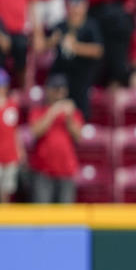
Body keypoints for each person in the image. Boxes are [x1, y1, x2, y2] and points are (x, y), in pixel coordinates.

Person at [44, 0, 103, 120]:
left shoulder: (91, 26)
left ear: (85, 5)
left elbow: (98, 50)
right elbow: (40, 46)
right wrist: (52, 42)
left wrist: (75, 47)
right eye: (72, 2)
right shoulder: (60, 25)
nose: (75, 7)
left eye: (79, 3)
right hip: (60, 77)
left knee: (80, 111)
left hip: (81, 77)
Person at [28, 74, 83, 203]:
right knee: (42, 216)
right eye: (56, 89)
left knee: (65, 218)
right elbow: (36, 132)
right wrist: (52, 112)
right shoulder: (39, 111)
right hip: (43, 171)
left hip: (66, 170)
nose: (59, 93)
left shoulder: (72, 112)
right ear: (48, 90)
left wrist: (69, 118)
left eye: (61, 89)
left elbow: (78, 136)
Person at [0, 69, 24, 203]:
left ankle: (4, 222)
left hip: (10, 156)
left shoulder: (12, 105)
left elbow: (16, 130)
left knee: (7, 192)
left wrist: (20, 150)